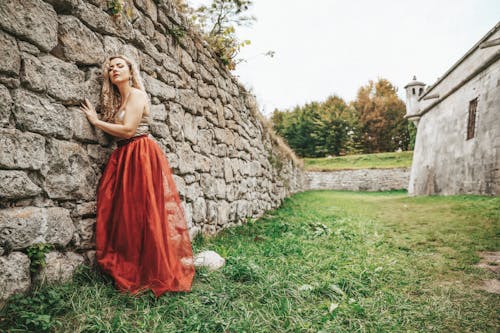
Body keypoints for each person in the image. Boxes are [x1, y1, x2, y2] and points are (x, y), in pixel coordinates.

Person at [80, 55, 195, 296]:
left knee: (145, 212)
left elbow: (128, 130)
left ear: (131, 71)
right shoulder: (121, 100)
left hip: (140, 153)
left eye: (119, 66)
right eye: (110, 68)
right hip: (125, 155)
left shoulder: (137, 95)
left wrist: (96, 121)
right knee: (127, 213)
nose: (114, 70)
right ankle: (134, 266)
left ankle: (152, 271)